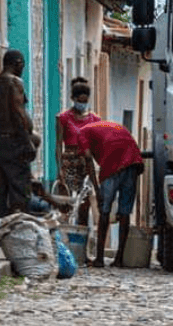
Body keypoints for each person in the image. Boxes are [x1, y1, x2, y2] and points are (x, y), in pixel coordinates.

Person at [65, 121, 145, 268]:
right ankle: (119, 258)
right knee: (125, 212)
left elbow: (88, 157)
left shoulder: (81, 132)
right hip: (132, 158)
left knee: (104, 209)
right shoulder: (104, 127)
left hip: (113, 157)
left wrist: (96, 189)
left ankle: (100, 258)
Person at [0, 50, 41, 217]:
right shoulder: (15, 83)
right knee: (19, 189)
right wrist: (26, 141)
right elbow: (18, 113)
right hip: (13, 143)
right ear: (18, 64)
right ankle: (17, 227)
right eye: (22, 65)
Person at [55, 77, 102, 224]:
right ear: (72, 98)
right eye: (79, 100)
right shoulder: (63, 118)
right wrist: (59, 169)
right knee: (66, 202)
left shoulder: (94, 119)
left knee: (85, 201)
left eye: (84, 101)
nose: (82, 104)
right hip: (69, 161)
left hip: (86, 162)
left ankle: (81, 232)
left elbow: (98, 145)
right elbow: (58, 145)